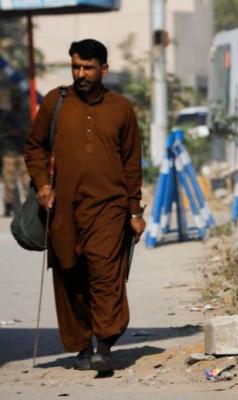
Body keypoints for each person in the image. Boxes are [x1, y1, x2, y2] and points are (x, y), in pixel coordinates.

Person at [24, 39, 145, 372]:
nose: (81, 73)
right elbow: (34, 148)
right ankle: (80, 345)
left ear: (103, 69)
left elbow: (132, 163)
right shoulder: (55, 102)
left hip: (109, 207)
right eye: (76, 66)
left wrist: (134, 211)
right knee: (70, 275)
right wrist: (43, 185)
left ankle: (104, 344)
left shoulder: (121, 108)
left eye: (88, 67)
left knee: (105, 274)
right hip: (63, 208)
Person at [1, 88, 30, 217]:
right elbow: (1, 134)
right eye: (14, 99)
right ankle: (8, 207)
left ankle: (30, 206)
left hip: (23, 151)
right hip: (10, 152)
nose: (16, 102)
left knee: (27, 181)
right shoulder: (7, 116)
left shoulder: (26, 115)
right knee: (9, 182)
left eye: (18, 99)